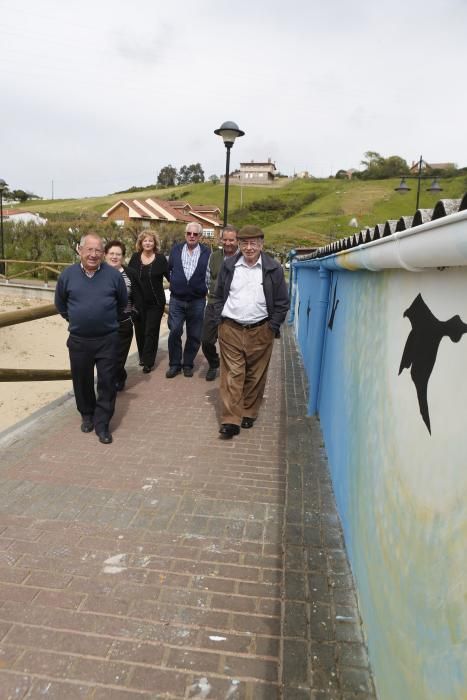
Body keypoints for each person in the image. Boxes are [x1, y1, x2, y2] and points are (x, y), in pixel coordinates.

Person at [212, 225, 289, 439]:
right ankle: (230, 420)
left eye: (253, 243)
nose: (248, 247)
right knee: (233, 375)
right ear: (238, 244)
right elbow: (217, 295)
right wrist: (220, 319)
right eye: (244, 243)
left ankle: (248, 411)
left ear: (261, 244)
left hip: (261, 329)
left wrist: (272, 327)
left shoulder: (273, 268)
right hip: (231, 329)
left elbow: (282, 303)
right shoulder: (229, 266)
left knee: (255, 375)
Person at [55, 233, 128, 444]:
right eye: (89, 249)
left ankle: (102, 423)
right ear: (80, 250)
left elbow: (122, 302)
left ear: (102, 253)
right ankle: (87, 415)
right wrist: (80, 320)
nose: (93, 255)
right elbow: (61, 305)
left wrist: (103, 320)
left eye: (98, 250)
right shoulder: (67, 275)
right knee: (82, 380)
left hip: (108, 339)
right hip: (79, 340)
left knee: (107, 381)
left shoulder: (114, 276)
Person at [166, 222, 211, 378]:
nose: (192, 236)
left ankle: (187, 364)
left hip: (197, 301)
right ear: (185, 234)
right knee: (175, 331)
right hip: (177, 299)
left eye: (195, 234)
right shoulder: (176, 250)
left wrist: (203, 289)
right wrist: (176, 284)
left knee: (194, 334)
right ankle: (174, 364)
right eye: (189, 233)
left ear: (200, 236)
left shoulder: (207, 252)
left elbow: (208, 274)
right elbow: (169, 270)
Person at [104, 240, 144, 391]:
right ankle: (114, 379)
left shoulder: (130, 274)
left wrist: (133, 313)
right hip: (103, 325)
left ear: (123, 256)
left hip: (123, 324)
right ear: (105, 255)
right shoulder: (98, 272)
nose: (115, 257)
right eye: (111, 254)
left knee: (118, 359)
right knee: (107, 358)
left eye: (118, 254)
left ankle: (119, 377)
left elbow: (139, 297)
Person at [201, 224, 238, 381]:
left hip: (234, 304)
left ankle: (231, 371)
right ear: (221, 240)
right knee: (206, 340)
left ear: (237, 240)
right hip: (214, 302)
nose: (228, 243)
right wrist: (212, 295)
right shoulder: (214, 256)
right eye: (225, 239)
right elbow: (208, 279)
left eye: (232, 240)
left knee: (230, 341)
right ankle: (214, 363)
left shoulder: (243, 257)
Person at [128, 230, 169, 373]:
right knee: (139, 331)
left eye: (150, 240)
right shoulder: (134, 258)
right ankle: (142, 357)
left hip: (156, 303)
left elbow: (171, 277)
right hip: (137, 303)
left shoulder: (161, 259)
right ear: (141, 243)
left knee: (151, 331)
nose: (148, 243)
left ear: (154, 243)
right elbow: (128, 278)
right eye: (145, 240)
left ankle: (148, 362)